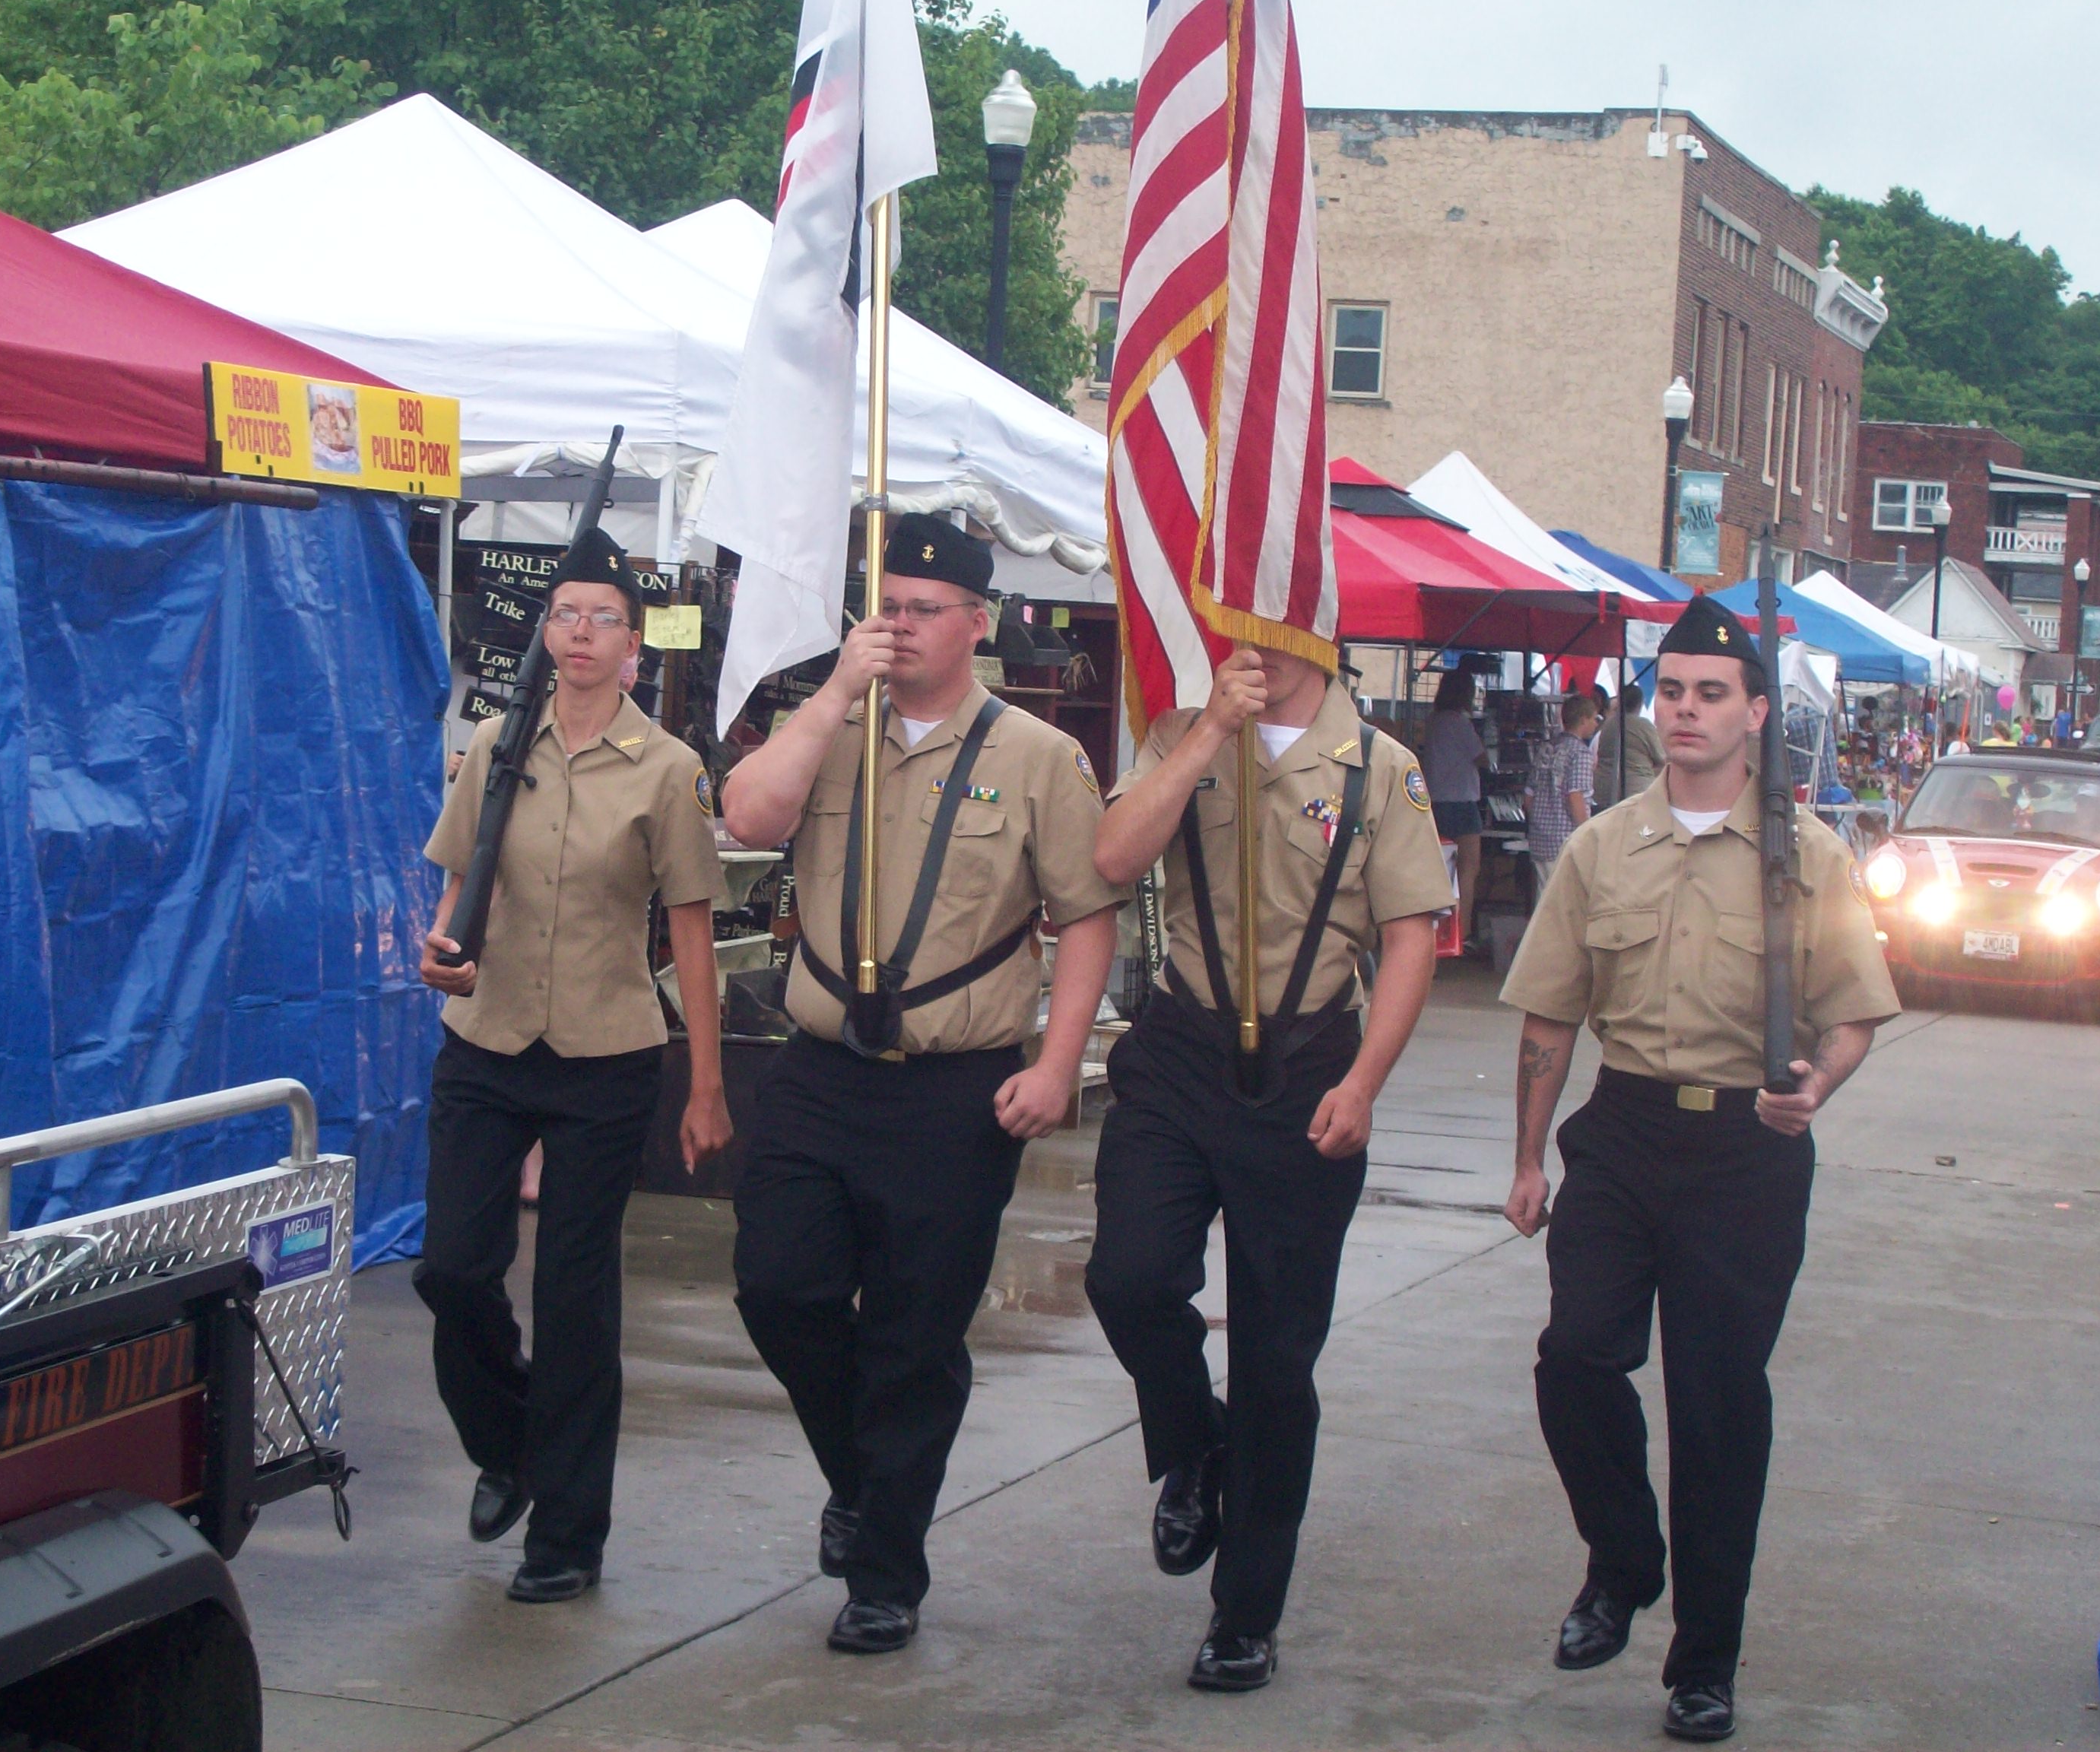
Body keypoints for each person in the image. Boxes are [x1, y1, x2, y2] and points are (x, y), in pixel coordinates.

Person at [1498, 592, 1899, 1744]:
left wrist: (1816, 1085)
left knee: (1719, 1410)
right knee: (1576, 1358)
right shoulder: (1601, 848)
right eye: (1670, 690)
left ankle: (1703, 1665)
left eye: (1710, 694)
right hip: (1622, 1133)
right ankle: (1623, 1561)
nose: (1684, 710)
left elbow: (1854, 1015)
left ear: (1756, 714)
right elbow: (1548, 1015)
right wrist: (1527, 1159)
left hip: (1746, 1152)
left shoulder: (1808, 858)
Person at [719, 513, 1122, 1655]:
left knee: (912, 1336)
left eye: (921, 610)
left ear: (978, 626)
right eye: (883, 606)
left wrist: (1058, 1065)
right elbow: (747, 816)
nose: (897, 626)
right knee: (779, 1286)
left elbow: (1085, 921)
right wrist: (835, 691)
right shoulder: (832, 730)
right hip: (819, 1072)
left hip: (959, 1089)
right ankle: (864, 1474)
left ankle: (885, 1571)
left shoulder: (1040, 759)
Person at [1084, 645, 1452, 1690]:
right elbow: (1113, 858)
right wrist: (1207, 732)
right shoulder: (1177, 735)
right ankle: (1197, 1443)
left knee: (1277, 1362)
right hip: (1180, 1048)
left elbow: (1411, 933)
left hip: (1306, 1066)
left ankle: (1245, 1612)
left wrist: (1366, 1083)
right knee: (1130, 1276)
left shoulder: (1378, 767)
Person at [414, 526, 734, 1604]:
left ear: (637, 646)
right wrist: (438, 951)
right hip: (489, 1039)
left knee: (577, 1295)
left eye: (602, 617)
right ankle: (508, 1443)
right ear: (544, 635)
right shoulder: (497, 745)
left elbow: (689, 930)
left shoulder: (669, 769)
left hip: (605, 1053)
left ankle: (568, 1533)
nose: (582, 633)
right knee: (451, 1269)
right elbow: (457, 888)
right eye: (565, 615)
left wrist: (707, 1083)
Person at [1423, 667, 1486, 951]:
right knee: (1467, 873)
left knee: (1436, 874)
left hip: (1435, 804)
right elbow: (1481, 758)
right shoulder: (1461, 723)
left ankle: (1437, 933)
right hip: (1463, 804)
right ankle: (1463, 933)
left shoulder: (1433, 721)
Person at [1524, 692, 1600, 895]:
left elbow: (1529, 796)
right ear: (1583, 720)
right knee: (1563, 904)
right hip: (1565, 840)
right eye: (1594, 718)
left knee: (1543, 900)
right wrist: (1587, 835)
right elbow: (1575, 796)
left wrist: (1539, 820)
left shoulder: (1547, 748)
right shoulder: (1580, 753)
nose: (1596, 724)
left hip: (1540, 838)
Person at [1594, 681, 1667, 808]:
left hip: (1604, 790)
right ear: (1640, 704)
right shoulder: (1644, 726)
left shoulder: (1608, 725)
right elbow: (1662, 758)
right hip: (1636, 791)